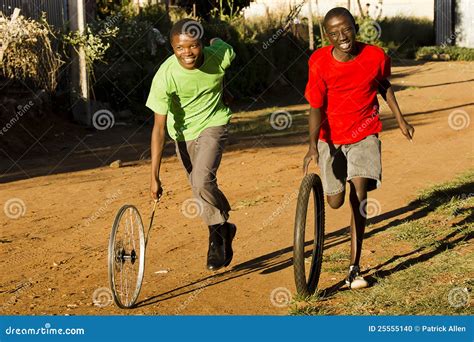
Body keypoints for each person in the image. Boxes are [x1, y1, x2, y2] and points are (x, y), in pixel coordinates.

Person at [303, 7, 414, 289]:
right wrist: (312, 145)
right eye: (334, 32)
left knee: (359, 190)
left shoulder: (375, 56)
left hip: (365, 131)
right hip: (331, 138)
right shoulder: (319, 62)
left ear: (355, 25)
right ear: (327, 35)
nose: (343, 36)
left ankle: (354, 268)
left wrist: (400, 119)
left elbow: (383, 85)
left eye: (347, 28)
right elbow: (315, 107)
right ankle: (334, 189)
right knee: (335, 200)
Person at [146, 19, 237, 271]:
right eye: (179, 48)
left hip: (214, 122)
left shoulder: (218, 55)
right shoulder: (165, 76)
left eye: (194, 46)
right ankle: (225, 229)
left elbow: (225, 47)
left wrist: (216, 42)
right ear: (173, 48)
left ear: (202, 45)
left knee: (201, 181)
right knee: (200, 189)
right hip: (182, 134)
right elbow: (158, 129)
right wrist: (154, 176)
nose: (187, 53)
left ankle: (217, 238)